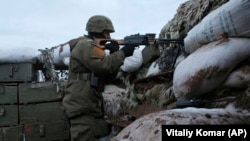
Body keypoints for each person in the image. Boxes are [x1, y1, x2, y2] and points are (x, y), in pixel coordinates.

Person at [62, 15, 136, 141]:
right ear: (99, 31)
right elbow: (103, 66)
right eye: (107, 33)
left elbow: (107, 75)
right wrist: (122, 53)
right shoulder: (85, 45)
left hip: (89, 107)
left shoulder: (92, 47)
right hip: (82, 108)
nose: (109, 37)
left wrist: (114, 54)